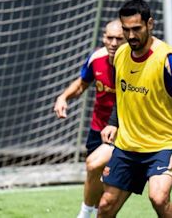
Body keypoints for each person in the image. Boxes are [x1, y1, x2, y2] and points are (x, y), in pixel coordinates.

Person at [97, 0, 172, 218]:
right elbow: (121, 95)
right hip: (128, 145)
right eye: (126, 30)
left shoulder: (169, 60)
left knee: (159, 197)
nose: (131, 35)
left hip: (164, 144)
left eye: (136, 29)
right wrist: (113, 122)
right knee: (105, 205)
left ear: (150, 24)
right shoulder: (121, 55)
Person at [53, 19, 126, 218]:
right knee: (96, 174)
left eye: (118, 38)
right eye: (109, 37)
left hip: (126, 133)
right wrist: (63, 97)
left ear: (128, 38)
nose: (113, 43)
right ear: (103, 37)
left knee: (96, 168)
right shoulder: (96, 58)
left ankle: (84, 215)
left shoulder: (135, 63)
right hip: (98, 129)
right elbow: (82, 84)